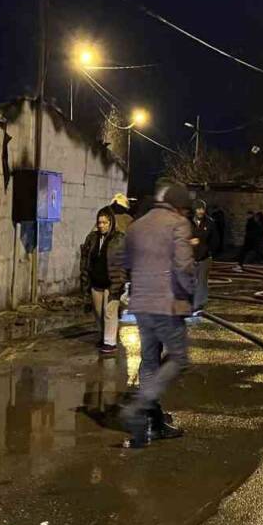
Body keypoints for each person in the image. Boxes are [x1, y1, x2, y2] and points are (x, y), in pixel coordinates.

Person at [120, 180, 195, 449]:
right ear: (179, 207)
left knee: (149, 361)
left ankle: (151, 422)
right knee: (178, 358)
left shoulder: (136, 225)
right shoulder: (177, 224)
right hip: (167, 304)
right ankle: (139, 407)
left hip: (141, 305)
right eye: (186, 210)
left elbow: (126, 264)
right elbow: (184, 267)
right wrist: (191, 296)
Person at [79, 206, 127, 354]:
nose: (101, 226)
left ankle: (110, 342)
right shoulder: (92, 238)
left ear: (111, 222)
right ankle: (104, 336)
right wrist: (85, 279)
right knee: (99, 313)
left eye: (105, 222)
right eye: (99, 222)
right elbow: (85, 259)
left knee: (109, 313)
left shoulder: (119, 239)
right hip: (96, 282)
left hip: (113, 282)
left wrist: (122, 280)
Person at [190, 200, 216, 312]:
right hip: (190, 257)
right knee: (190, 281)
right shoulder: (187, 221)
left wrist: (207, 250)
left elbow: (215, 240)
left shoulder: (210, 223)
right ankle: (190, 303)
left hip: (204, 257)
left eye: (202, 209)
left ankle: (198, 305)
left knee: (201, 281)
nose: (201, 211)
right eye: (198, 209)